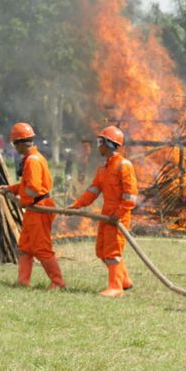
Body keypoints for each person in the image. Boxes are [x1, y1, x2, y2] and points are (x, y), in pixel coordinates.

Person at [69, 126, 137, 297]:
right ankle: (125, 280)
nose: (98, 146)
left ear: (109, 144)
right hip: (106, 214)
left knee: (113, 253)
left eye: (100, 142)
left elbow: (130, 197)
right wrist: (77, 204)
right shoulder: (103, 168)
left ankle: (116, 288)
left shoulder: (124, 166)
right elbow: (93, 190)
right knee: (101, 251)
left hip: (118, 217)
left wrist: (118, 215)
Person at [0, 122, 66, 290]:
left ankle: (58, 283)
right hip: (34, 209)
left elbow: (34, 189)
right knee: (25, 247)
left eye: (15, 144)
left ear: (21, 143)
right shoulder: (32, 158)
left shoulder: (33, 161)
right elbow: (26, 184)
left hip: (40, 208)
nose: (15, 148)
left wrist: (21, 199)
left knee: (41, 247)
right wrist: (11, 189)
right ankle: (23, 282)